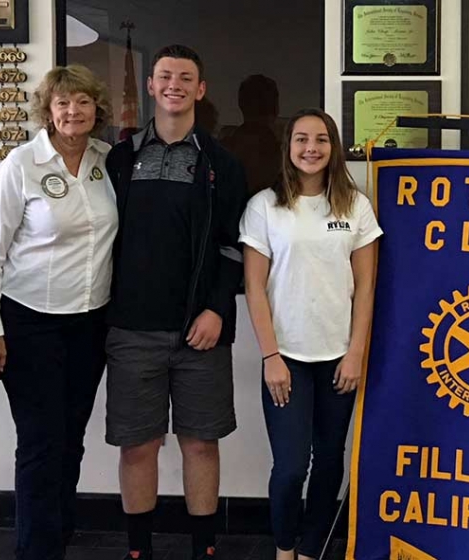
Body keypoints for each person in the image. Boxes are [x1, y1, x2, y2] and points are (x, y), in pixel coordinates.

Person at [103, 44, 247, 560]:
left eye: (186, 78)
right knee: (138, 446)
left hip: (200, 331)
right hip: (131, 330)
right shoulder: (118, 160)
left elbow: (234, 245)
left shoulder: (223, 163)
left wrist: (216, 309)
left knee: (201, 444)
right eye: (165, 76)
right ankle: (138, 549)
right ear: (150, 85)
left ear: (200, 89)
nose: (174, 85)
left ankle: (203, 549)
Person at [0, 65, 116, 560]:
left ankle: (59, 537)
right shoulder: (22, 163)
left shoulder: (107, 162)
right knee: (40, 442)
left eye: (82, 102)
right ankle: (36, 550)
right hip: (30, 322)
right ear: (48, 111)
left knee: (71, 439)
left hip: (90, 323)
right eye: (62, 104)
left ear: (96, 109)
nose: (72, 112)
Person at [240, 108, 381, 560]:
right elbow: (254, 289)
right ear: (288, 146)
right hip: (287, 360)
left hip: (339, 357)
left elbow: (366, 289)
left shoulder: (355, 206)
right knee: (290, 466)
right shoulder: (265, 205)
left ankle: (312, 549)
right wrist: (271, 357)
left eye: (321, 140)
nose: (311, 148)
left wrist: (355, 353)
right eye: (301, 139)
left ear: (333, 148)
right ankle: (285, 548)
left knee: (329, 461)